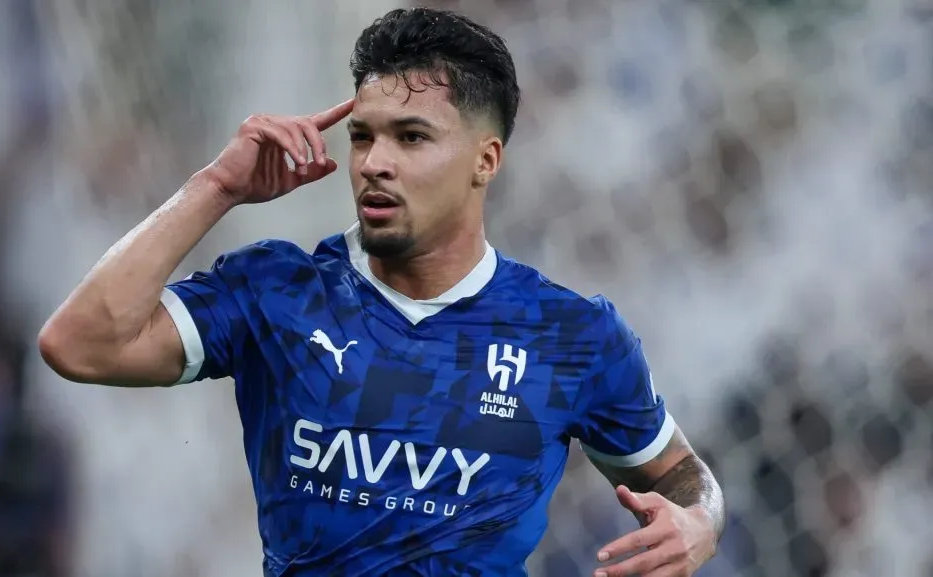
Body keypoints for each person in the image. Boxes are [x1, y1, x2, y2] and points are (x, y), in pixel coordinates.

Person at [38, 7, 725, 577]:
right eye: (362, 137)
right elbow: (78, 342)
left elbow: (682, 473)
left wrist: (699, 521)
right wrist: (216, 187)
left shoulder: (572, 336)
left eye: (411, 136)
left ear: (485, 160)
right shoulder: (277, 290)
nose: (374, 163)